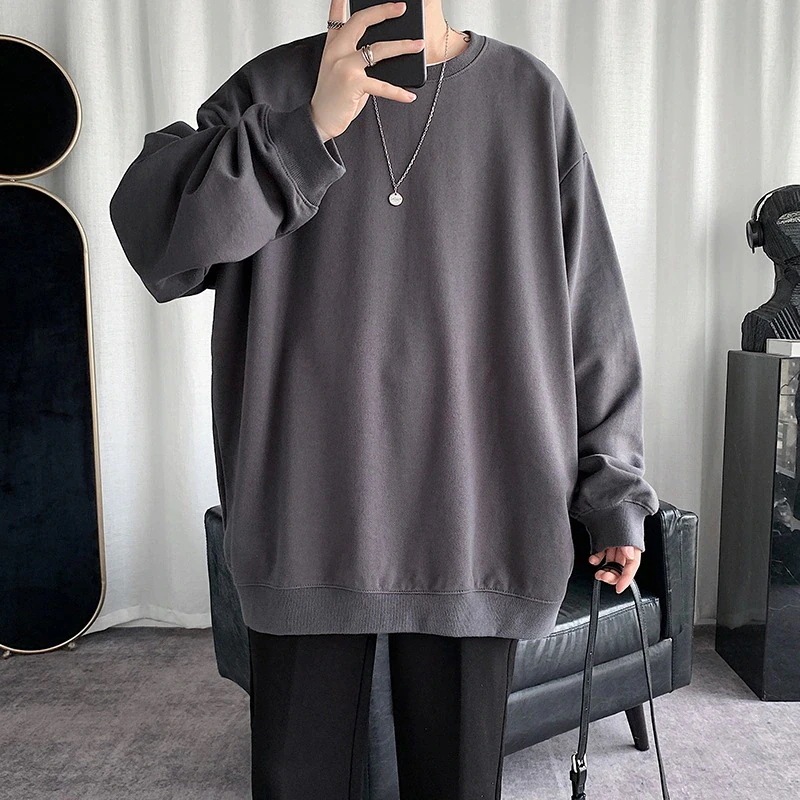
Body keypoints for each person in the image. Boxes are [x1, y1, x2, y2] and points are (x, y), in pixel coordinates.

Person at [109, 0, 659, 797]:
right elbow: (154, 234)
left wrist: (613, 490)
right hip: (307, 523)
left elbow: (591, 313)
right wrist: (307, 130)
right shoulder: (274, 88)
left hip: (477, 521)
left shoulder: (526, 96)